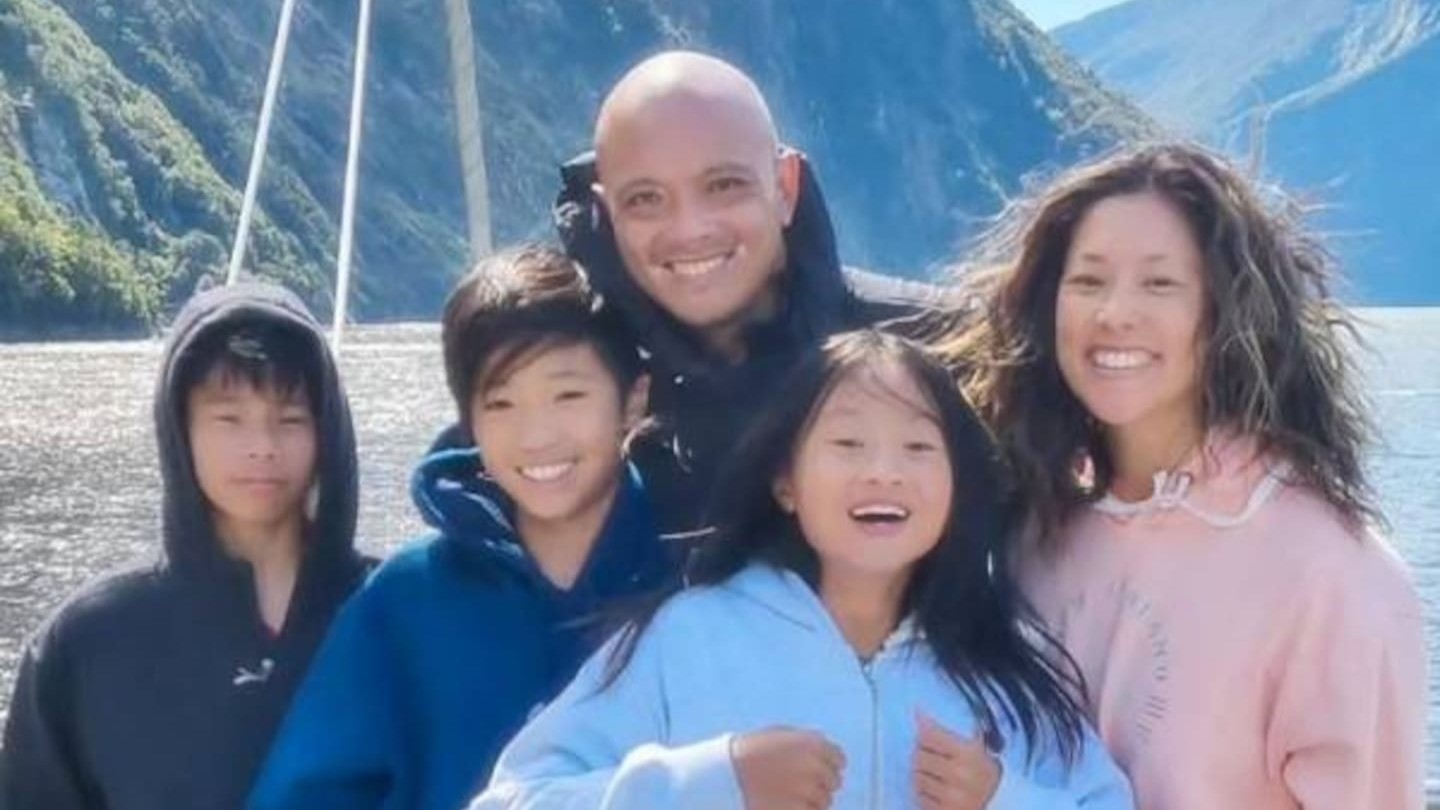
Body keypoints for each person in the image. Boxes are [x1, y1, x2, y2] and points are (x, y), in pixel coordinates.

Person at [939, 143, 1427, 809]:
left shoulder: (1335, 579)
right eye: (1088, 281)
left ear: (1226, 312)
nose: (1115, 312)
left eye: (1160, 283)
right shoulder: (1033, 533)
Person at [470, 330, 1133, 810]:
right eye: (847, 444)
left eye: (918, 446)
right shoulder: (690, 638)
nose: (883, 471)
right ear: (786, 481)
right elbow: (511, 800)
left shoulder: (1009, 661)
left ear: (957, 483)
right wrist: (708, 783)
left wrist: (1003, 801)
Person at [248, 246, 676, 810]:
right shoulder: (408, 599)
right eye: (501, 404)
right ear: (468, 419)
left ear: (632, 399)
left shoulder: (692, 579)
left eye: (568, 395)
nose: (537, 436)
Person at [0, 283, 370, 809]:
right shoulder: (87, 641)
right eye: (228, 419)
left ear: (327, 432)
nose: (262, 447)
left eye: (290, 419)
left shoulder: (392, 611)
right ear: (180, 430)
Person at [555, 50, 941, 537]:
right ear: (606, 213)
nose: (690, 229)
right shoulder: (565, 379)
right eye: (645, 199)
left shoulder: (941, 350)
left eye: (723, 185)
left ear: (785, 187)